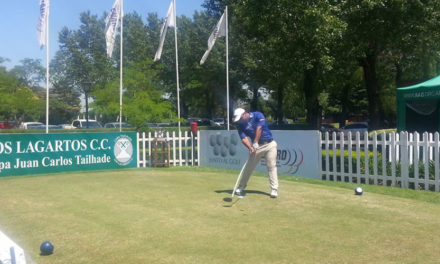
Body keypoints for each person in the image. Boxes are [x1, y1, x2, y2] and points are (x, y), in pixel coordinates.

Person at [232, 107, 279, 198]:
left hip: (270, 144)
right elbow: (244, 138)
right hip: (256, 147)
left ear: (245, 114)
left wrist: (255, 142)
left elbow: (259, 128)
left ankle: (274, 189)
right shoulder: (240, 125)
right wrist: (250, 147)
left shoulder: (258, 115)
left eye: (240, 119)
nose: (240, 121)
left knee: (271, 166)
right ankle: (241, 186)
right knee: (248, 167)